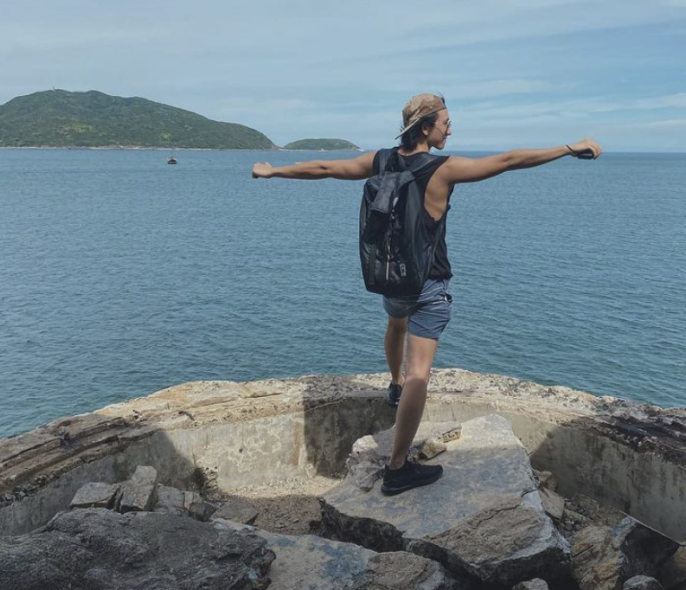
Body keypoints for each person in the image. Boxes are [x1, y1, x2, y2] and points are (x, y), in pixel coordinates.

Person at [251, 93, 602, 495]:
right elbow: (508, 161)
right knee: (422, 372)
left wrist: (273, 171)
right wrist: (568, 148)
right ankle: (398, 468)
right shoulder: (443, 169)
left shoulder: (380, 160)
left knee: (395, 322)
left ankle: (394, 384)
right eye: (445, 122)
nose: (450, 128)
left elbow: (327, 167)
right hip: (428, 284)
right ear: (425, 128)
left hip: (390, 275)